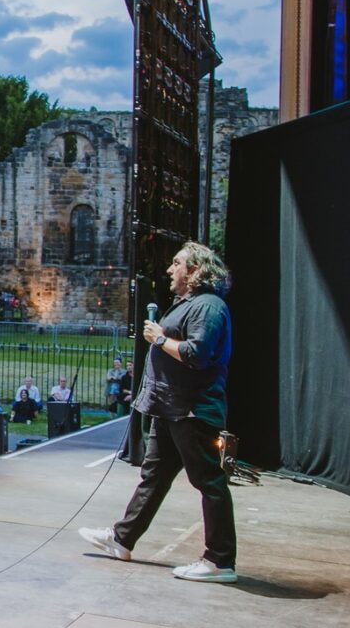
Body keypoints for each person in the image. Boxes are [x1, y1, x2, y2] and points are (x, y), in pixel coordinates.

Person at [80, 242, 238, 583]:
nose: (170, 270)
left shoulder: (209, 307)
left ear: (195, 271)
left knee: (209, 482)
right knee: (154, 477)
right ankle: (122, 539)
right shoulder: (188, 304)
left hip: (192, 410)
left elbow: (198, 354)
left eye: (177, 263)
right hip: (170, 409)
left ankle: (220, 561)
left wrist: (159, 339)